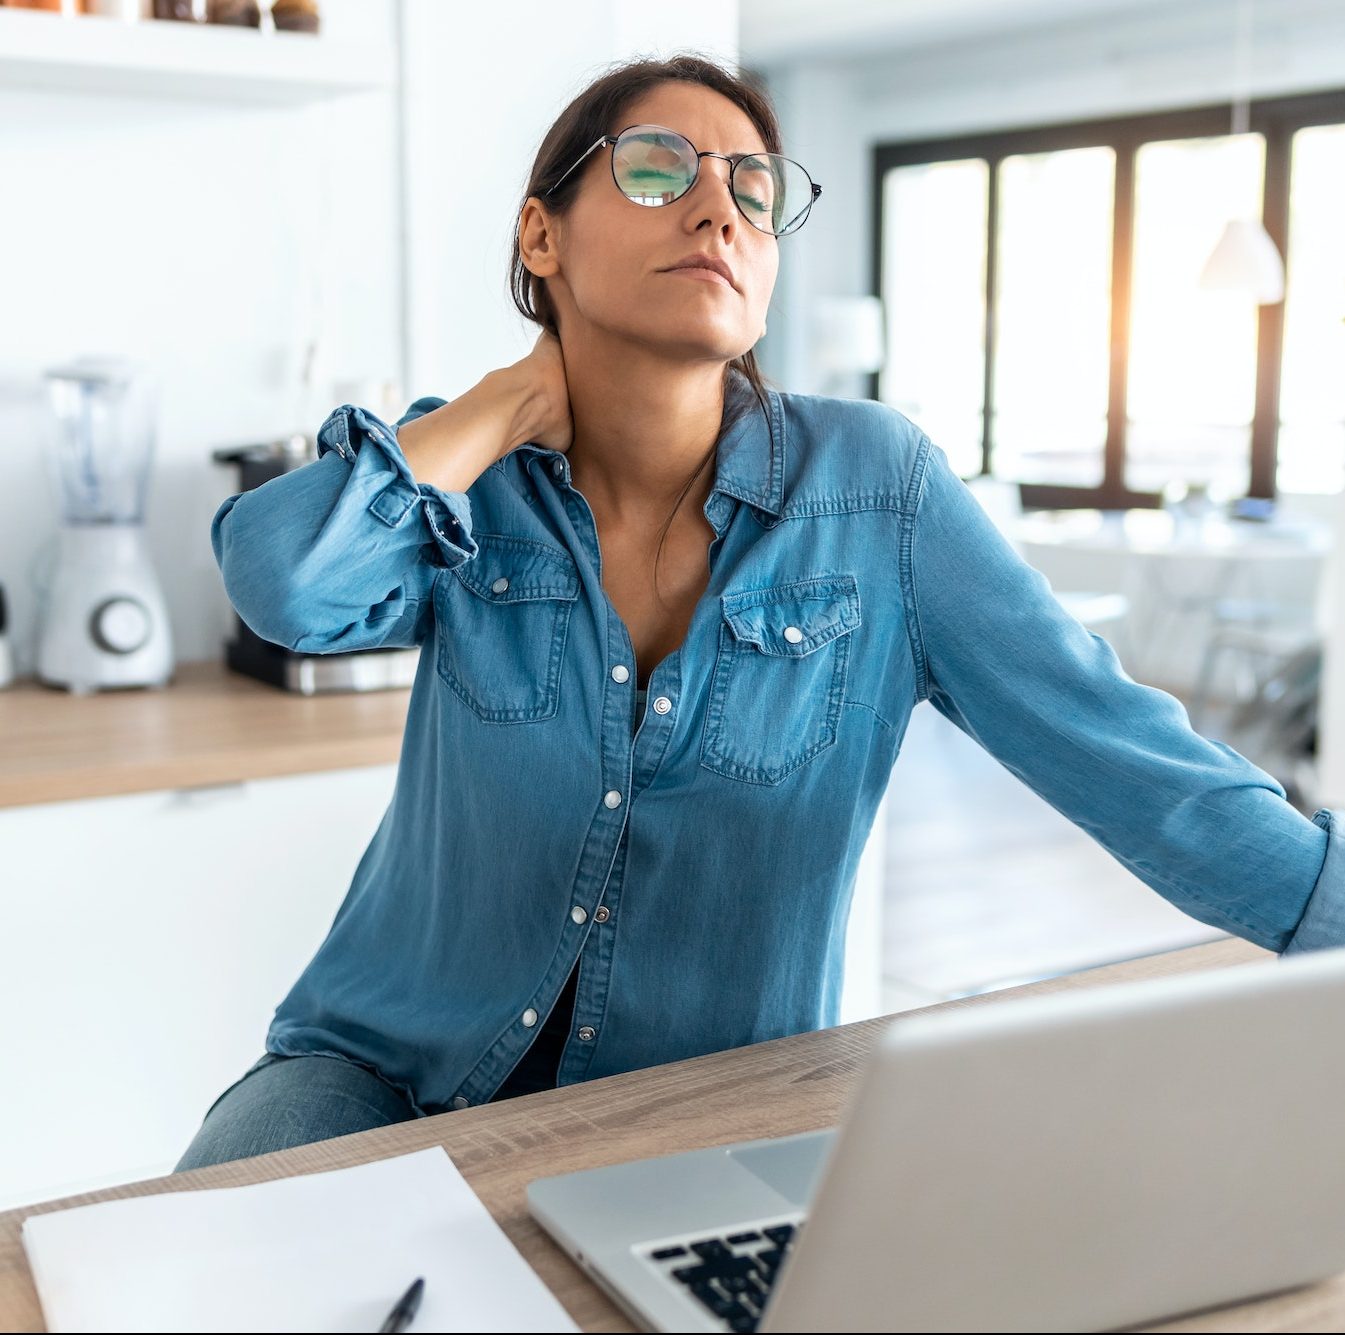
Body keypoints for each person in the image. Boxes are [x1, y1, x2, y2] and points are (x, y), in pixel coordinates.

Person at [176, 52, 1344, 1172]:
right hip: (380, 1074)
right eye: (654, 167)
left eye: (753, 187)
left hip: (702, 1116)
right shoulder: (466, 484)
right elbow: (283, 583)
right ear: (543, 235)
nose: (716, 210)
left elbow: (1135, 763)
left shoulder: (879, 493)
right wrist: (502, 403)